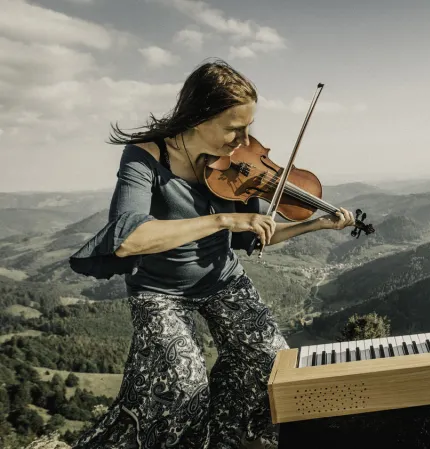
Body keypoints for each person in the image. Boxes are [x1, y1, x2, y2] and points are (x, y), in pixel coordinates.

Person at [68, 59, 356, 449]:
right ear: (198, 117)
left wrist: (314, 224)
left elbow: (256, 234)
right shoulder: (145, 157)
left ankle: (223, 440)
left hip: (222, 280)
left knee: (272, 366)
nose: (242, 141)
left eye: (248, 128)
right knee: (184, 387)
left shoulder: (235, 168)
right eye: (234, 129)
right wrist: (221, 220)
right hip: (160, 291)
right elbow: (129, 238)